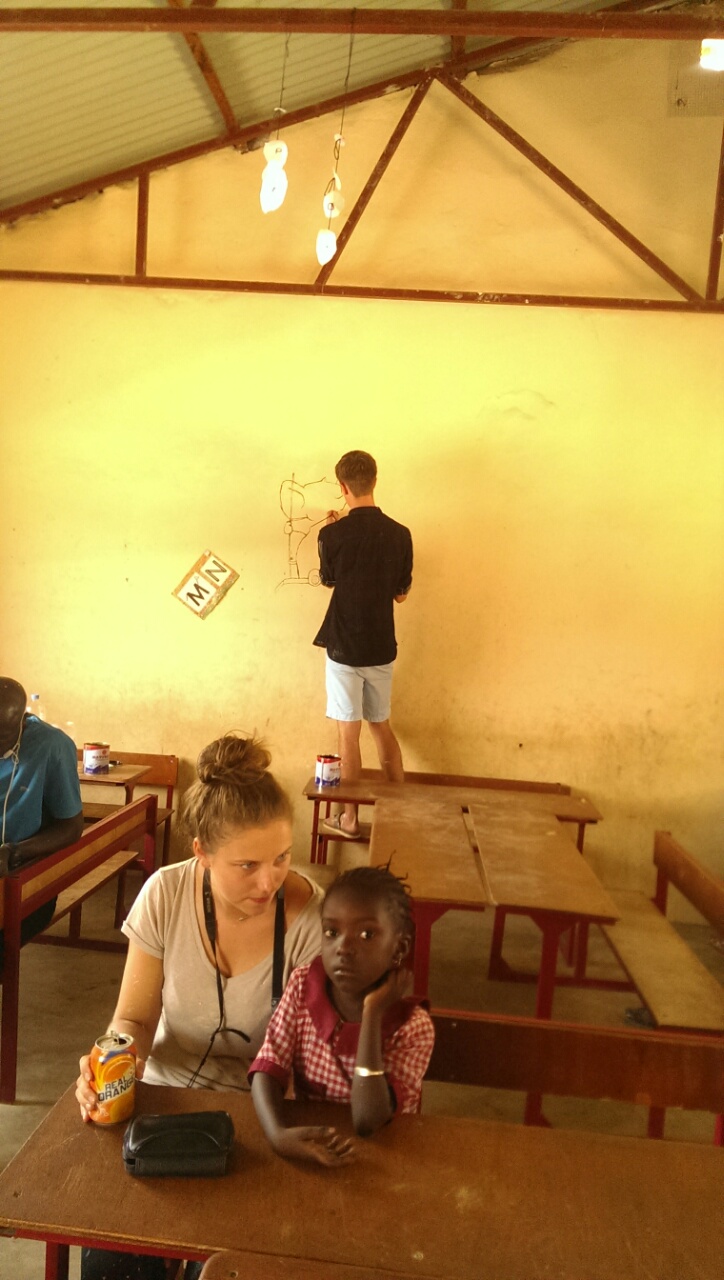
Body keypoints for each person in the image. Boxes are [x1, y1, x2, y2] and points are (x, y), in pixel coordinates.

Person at [75, 732, 325, 1280]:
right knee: (111, 1261)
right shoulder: (165, 894)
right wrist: (111, 1064)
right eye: (247, 865)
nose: (270, 881)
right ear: (202, 854)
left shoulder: (310, 921)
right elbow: (135, 1019)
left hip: (263, 1121)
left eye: (282, 858)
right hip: (164, 1104)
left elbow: (308, 1066)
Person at [250, 865, 435, 1165]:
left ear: (399, 947)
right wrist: (277, 1134)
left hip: (388, 1156)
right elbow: (268, 1066)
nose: (344, 948)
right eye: (332, 932)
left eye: (366, 934)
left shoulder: (411, 1027)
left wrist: (372, 1013)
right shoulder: (303, 985)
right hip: (316, 1145)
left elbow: (368, 1120)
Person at [313, 450, 412, 840]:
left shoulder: (331, 535)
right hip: (381, 645)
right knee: (381, 727)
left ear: (342, 487)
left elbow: (330, 580)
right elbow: (400, 595)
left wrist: (331, 532)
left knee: (347, 734)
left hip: (343, 647)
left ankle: (349, 819)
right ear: (374, 480)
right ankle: (398, 814)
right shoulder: (400, 534)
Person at [0, 676, 83, 966]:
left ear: (21, 722)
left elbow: (71, 827)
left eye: (1, 736)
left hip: (27, 877)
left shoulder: (52, 746)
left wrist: (15, 851)